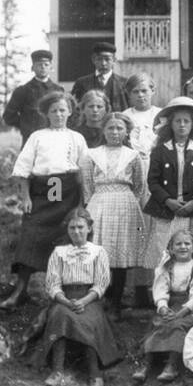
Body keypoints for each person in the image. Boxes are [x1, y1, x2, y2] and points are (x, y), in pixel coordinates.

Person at [2, 90, 87, 310]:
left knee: (65, 239)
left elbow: (84, 173)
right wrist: (26, 197)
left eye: (62, 110)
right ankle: (20, 290)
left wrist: (82, 202)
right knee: (31, 235)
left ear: (69, 112)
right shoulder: (37, 136)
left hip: (68, 194)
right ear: (46, 114)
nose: (58, 114)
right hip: (43, 193)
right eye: (54, 111)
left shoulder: (76, 138)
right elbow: (22, 169)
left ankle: (63, 294)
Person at [26, 208, 122, 386]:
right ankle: (57, 371)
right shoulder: (59, 252)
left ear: (89, 228)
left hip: (90, 298)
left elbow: (102, 283)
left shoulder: (98, 252)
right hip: (64, 299)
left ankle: (95, 375)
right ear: (67, 230)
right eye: (72, 228)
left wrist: (85, 301)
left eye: (80, 227)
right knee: (60, 316)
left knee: (88, 320)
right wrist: (64, 300)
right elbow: (52, 283)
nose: (76, 232)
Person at [79, 112, 146, 319]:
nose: (115, 132)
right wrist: (95, 203)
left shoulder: (133, 156)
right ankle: (99, 300)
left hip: (125, 204)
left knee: (120, 254)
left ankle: (116, 304)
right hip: (99, 203)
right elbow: (88, 185)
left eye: (119, 128)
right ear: (103, 130)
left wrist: (125, 198)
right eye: (110, 128)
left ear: (126, 132)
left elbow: (139, 186)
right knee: (99, 252)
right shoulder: (92, 154)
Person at [143, 96, 193, 266]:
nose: (182, 125)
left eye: (186, 121)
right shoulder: (160, 150)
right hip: (167, 209)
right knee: (164, 253)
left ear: (192, 124)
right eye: (178, 121)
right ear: (171, 124)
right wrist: (168, 200)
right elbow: (153, 181)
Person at [136, 229, 193, 384]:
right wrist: (163, 307)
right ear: (171, 248)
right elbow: (161, 290)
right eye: (178, 244)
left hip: (190, 307)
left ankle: (172, 363)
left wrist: (181, 312)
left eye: (187, 243)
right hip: (170, 304)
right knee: (160, 323)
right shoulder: (166, 266)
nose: (183, 247)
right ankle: (147, 362)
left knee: (178, 325)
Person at [2, 49, 62, 145]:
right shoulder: (23, 91)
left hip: (54, 138)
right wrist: (26, 125)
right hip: (31, 139)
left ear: (51, 67)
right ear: (32, 68)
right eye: (39, 64)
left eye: (46, 64)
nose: (43, 67)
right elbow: (8, 116)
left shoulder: (58, 90)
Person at [71, 41, 129, 112]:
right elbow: (75, 107)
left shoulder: (124, 83)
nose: (103, 63)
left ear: (114, 60)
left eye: (107, 59)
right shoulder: (82, 83)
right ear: (93, 59)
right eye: (99, 59)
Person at [123, 72, 161, 161]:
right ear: (129, 94)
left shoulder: (161, 114)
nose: (140, 95)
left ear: (152, 91)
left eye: (144, 91)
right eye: (135, 92)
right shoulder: (125, 116)